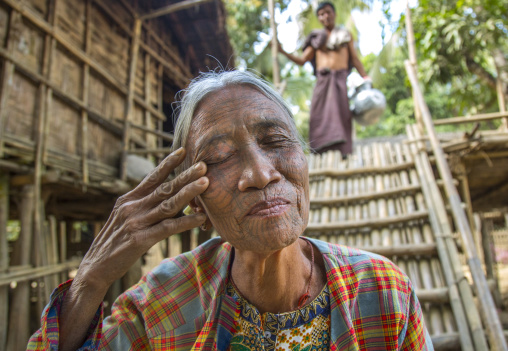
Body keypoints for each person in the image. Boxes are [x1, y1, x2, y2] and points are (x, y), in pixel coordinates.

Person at [27, 70, 432, 351]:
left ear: (304, 158)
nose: (259, 173)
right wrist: (89, 282)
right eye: (220, 157)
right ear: (195, 197)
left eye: (275, 139)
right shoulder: (163, 302)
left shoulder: (382, 291)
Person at [278, 1, 370, 155]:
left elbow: (354, 59)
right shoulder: (317, 38)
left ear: (335, 14)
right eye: (321, 14)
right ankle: (319, 150)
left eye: (327, 12)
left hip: (340, 81)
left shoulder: (345, 35)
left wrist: (365, 77)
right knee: (319, 114)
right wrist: (282, 51)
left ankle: (344, 153)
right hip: (323, 80)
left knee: (342, 114)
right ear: (318, 18)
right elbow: (302, 60)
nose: (325, 16)